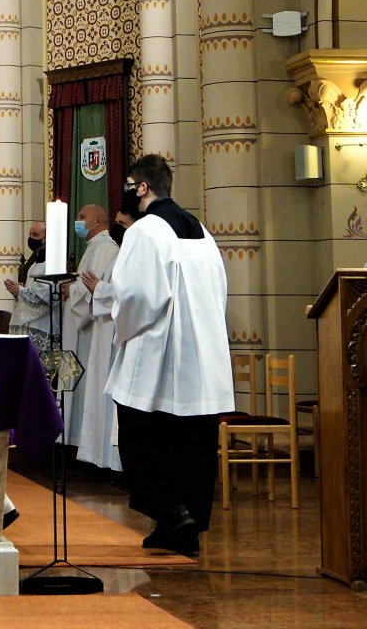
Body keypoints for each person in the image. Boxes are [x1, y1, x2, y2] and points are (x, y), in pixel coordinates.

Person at [106, 155, 232, 556]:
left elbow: (137, 296)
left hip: (158, 355)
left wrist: (121, 328)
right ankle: (180, 529)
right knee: (192, 448)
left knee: (142, 440)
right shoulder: (202, 231)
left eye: (130, 184)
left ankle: (170, 511)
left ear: (142, 187)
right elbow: (220, 290)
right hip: (201, 359)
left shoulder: (146, 231)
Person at [67, 203, 123, 472]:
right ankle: (94, 454)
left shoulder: (105, 249)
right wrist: (79, 288)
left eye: (82, 217)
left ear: (98, 220)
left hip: (105, 329)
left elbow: (96, 288)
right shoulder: (94, 248)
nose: (78, 222)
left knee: (102, 394)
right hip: (98, 330)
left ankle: (105, 457)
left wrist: (76, 290)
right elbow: (88, 286)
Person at [3, 220, 56, 358]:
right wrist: (18, 293)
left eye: (35, 235)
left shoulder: (52, 265)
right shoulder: (33, 266)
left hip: (40, 328)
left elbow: (45, 299)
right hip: (25, 328)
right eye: (30, 235)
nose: (31, 239)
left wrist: (20, 291)